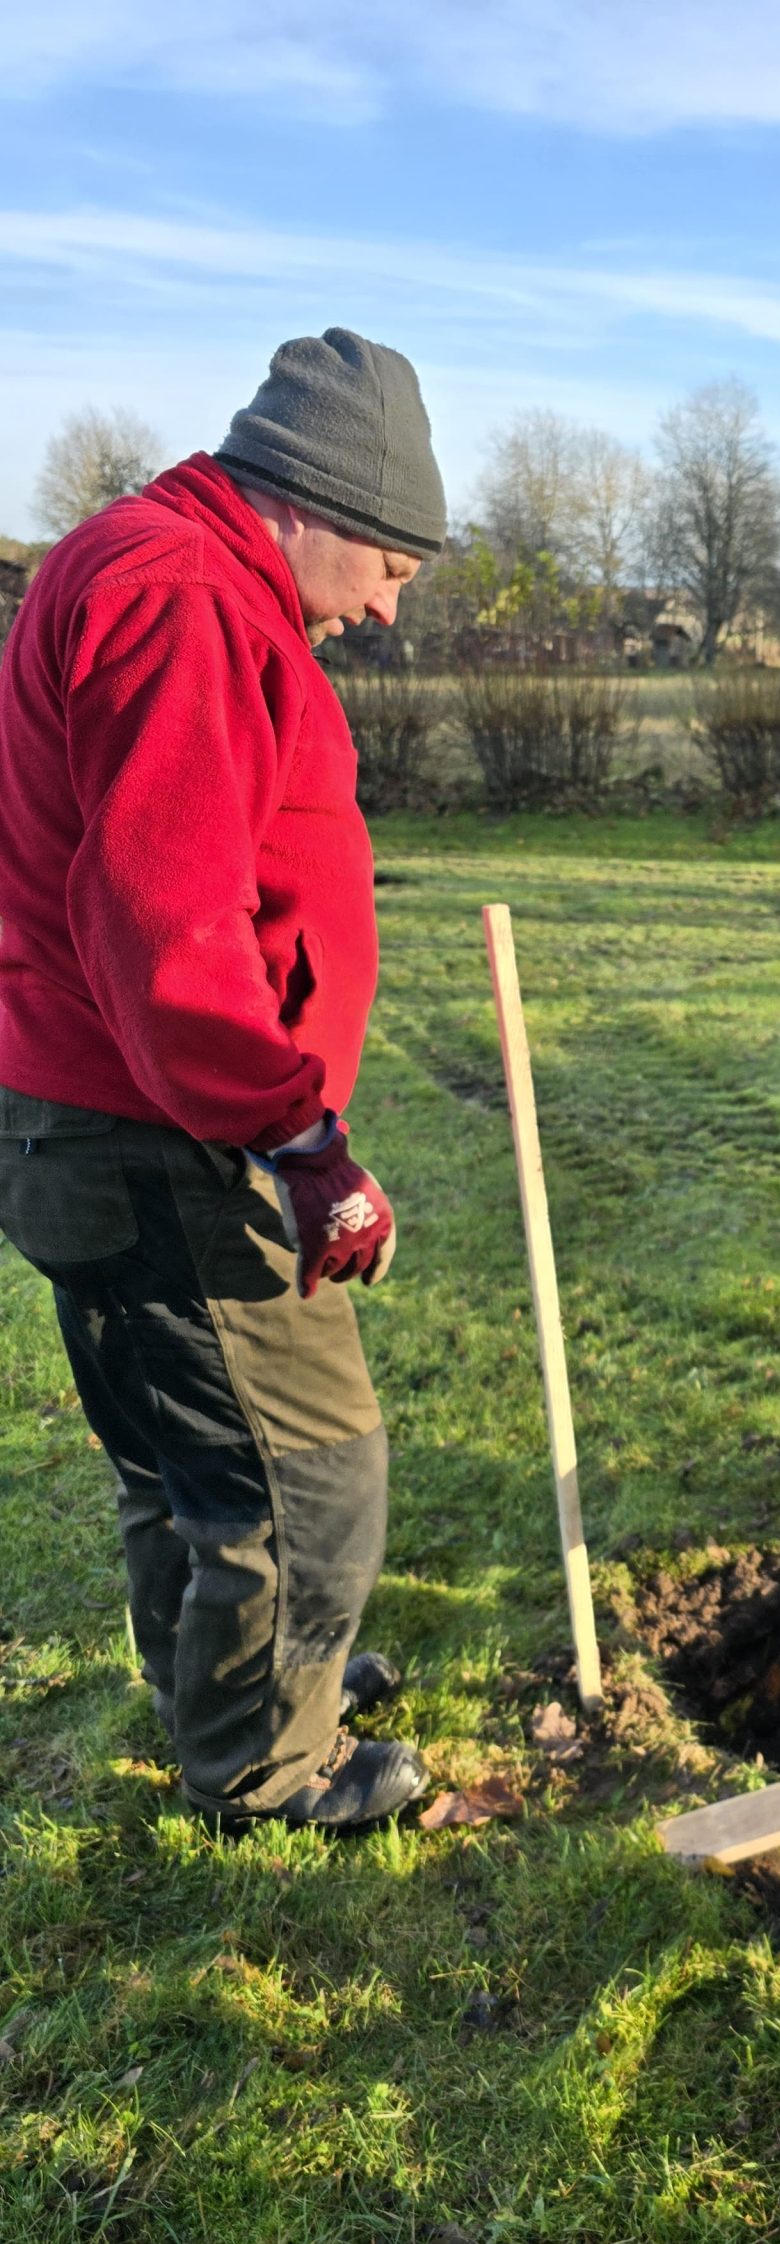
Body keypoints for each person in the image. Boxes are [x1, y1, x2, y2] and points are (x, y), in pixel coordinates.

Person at [0, 328, 446, 1830]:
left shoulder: (156, 568)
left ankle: (231, 1688)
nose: (385, 608)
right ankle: (267, 1763)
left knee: (186, 1457)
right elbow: (165, 917)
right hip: (156, 1130)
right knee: (308, 1476)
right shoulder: (183, 594)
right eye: (389, 566)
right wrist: (299, 1137)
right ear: (309, 501)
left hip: (92, 1118)